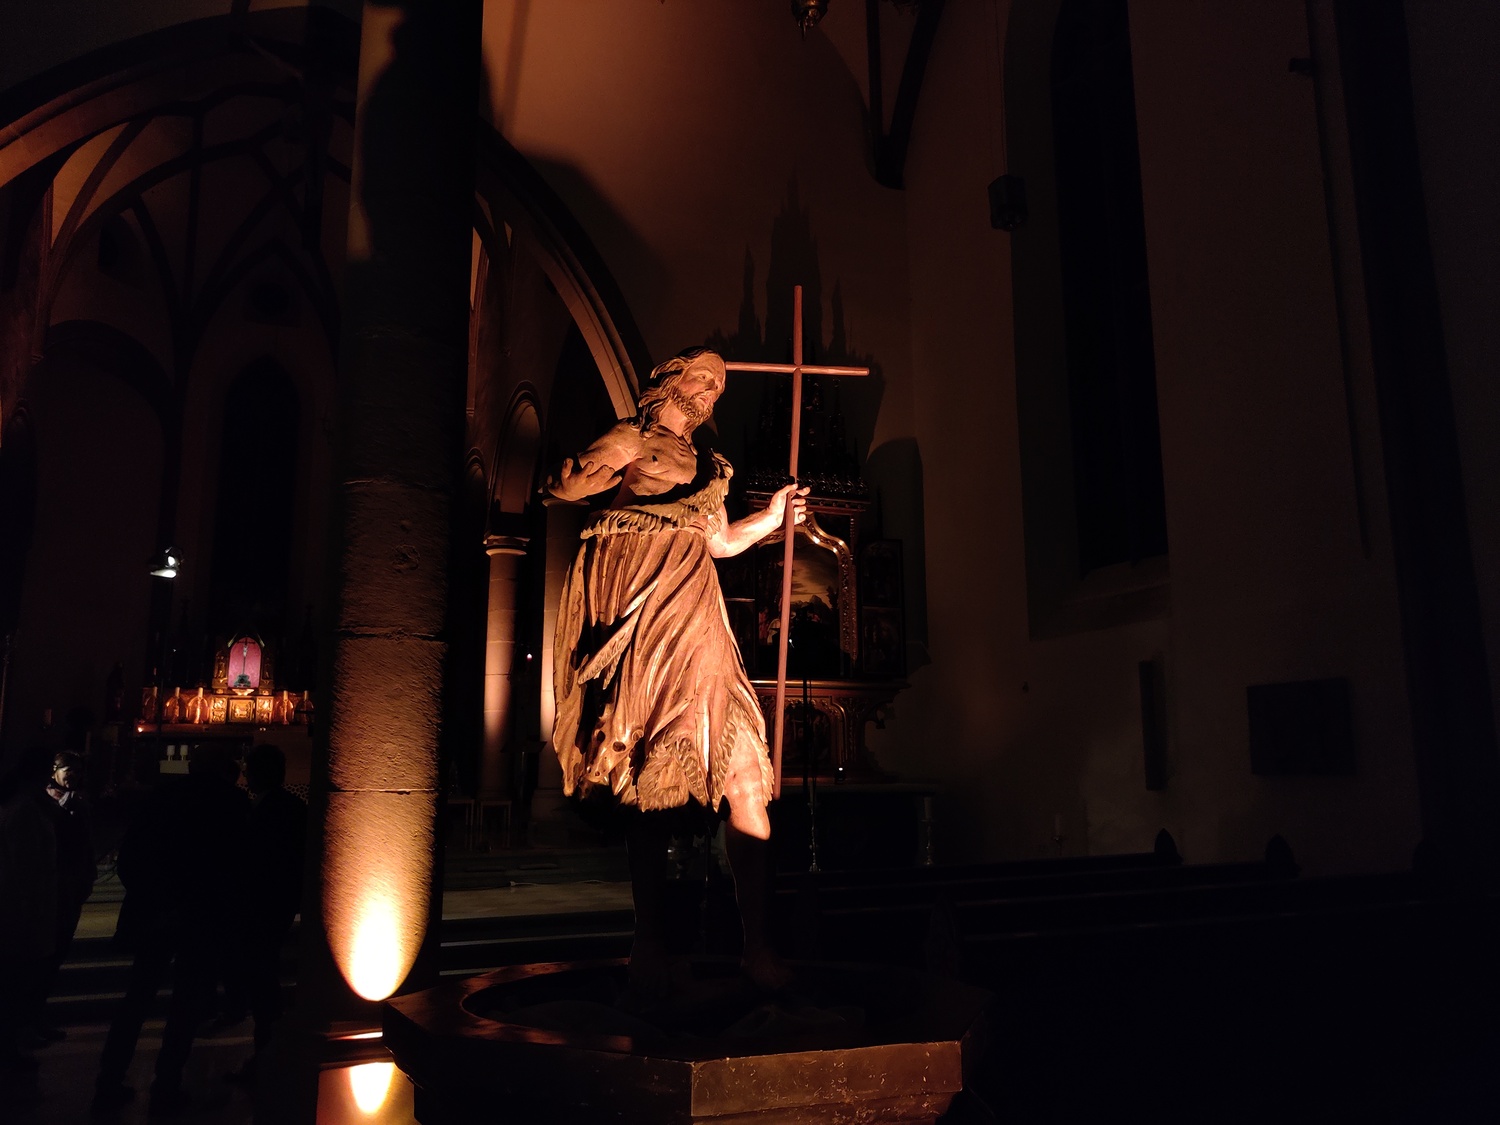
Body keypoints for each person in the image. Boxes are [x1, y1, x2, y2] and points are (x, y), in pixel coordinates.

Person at [547, 347, 806, 991]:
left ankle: (759, 948)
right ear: (669, 379)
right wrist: (597, 470)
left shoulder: (712, 467)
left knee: (746, 775)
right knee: (651, 778)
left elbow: (719, 542)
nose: (712, 390)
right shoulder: (633, 439)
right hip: (647, 613)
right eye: (703, 377)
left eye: (719, 384)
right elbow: (565, 486)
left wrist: (772, 519)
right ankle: (650, 944)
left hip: (698, 613)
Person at [93, 745, 249, 1116]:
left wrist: (156, 901)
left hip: (158, 913)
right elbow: (239, 866)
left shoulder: (162, 797)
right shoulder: (231, 803)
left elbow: (131, 857)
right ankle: (167, 1083)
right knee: (185, 1006)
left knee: (137, 999)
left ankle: (109, 1080)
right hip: (202, 917)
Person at [227, 743, 306, 1080]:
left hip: (262, 905)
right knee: (263, 976)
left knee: (262, 980)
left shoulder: (264, 810)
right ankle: (269, 1051)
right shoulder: (293, 807)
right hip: (276, 904)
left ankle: (267, 1054)